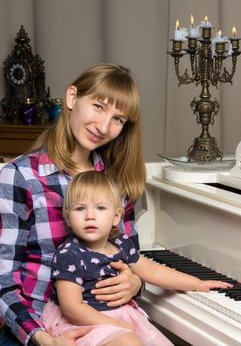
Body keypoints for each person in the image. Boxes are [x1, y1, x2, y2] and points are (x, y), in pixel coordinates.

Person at [0, 63, 147, 345]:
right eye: (98, 106)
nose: (103, 127)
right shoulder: (20, 177)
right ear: (71, 98)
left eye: (118, 119)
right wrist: (43, 338)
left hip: (106, 323)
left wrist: (136, 284)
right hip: (37, 328)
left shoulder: (117, 183)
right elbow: (3, 280)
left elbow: (132, 259)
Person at [43, 171, 232, 346]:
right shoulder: (69, 254)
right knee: (128, 342)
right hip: (81, 321)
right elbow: (71, 308)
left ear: (116, 217)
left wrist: (197, 284)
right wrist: (117, 326)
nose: (90, 216)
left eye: (100, 208)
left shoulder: (120, 243)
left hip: (116, 315)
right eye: (80, 208)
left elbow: (152, 271)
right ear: (68, 217)